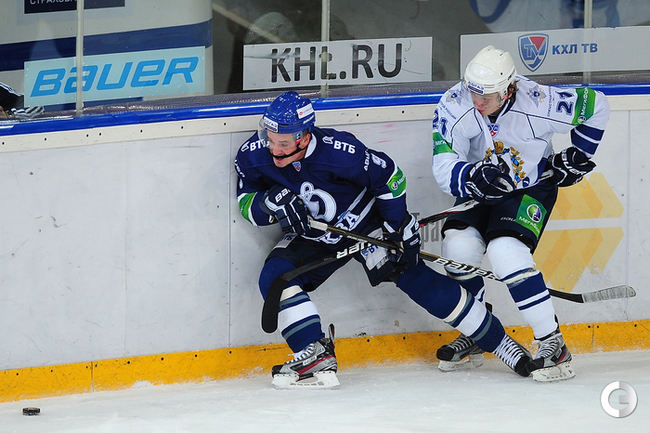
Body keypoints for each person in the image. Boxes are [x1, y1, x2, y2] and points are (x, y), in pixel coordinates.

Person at [234, 90, 535, 389]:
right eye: (270, 139)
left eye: (283, 143)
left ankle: (499, 342)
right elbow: (245, 200)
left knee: (415, 278)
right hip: (314, 235)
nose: (274, 149)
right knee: (276, 276)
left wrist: (396, 223)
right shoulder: (253, 155)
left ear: (304, 137)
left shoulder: (340, 152)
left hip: (366, 226)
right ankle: (312, 352)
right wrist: (267, 204)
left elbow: (391, 177)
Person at [431, 45, 610, 382]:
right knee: (457, 249)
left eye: (487, 96)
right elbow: (443, 165)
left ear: (509, 89)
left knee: (506, 252)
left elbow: (596, 104)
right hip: (480, 188)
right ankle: (478, 330)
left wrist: (578, 155)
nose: (477, 102)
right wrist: (471, 176)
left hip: (530, 187)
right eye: (473, 92)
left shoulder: (539, 101)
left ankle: (553, 344)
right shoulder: (454, 103)